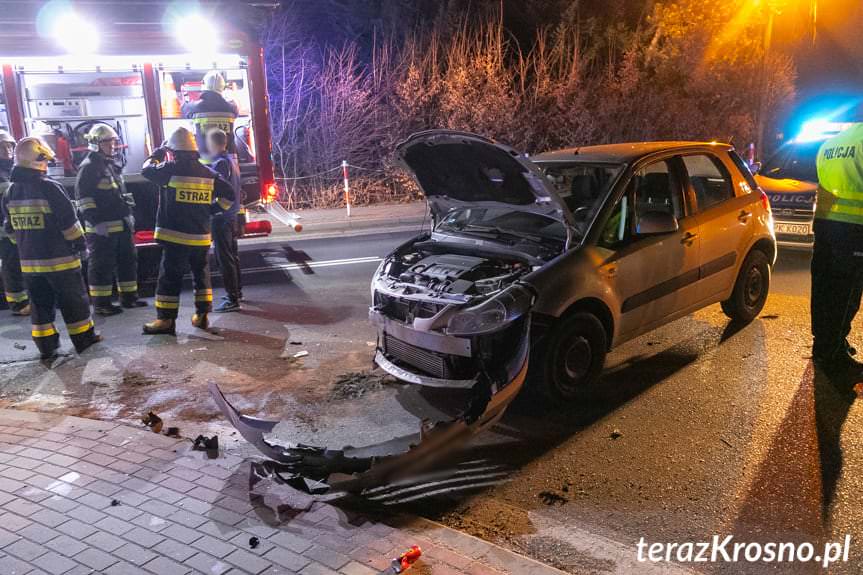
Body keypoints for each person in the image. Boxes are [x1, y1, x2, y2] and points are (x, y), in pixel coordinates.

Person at [0, 137, 100, 359]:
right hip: (61, 261)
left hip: (29, 265)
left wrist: (28, 247)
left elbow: (10, 229)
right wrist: (81, 247)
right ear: (39, 159)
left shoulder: (11, 191)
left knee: (40, 306)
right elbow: (69, 224)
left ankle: (46, 346)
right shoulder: (50, 187)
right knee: (74, 302)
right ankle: (84, 339)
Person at [141, 126, 234, 335]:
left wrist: (157, 152)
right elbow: (230, 195)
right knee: (201, 275)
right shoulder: (208, 173)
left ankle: (165, 320)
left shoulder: (169, 169)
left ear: (173, 152)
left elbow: (146, 169)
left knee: (170, 277)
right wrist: (212, 209)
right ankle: (202, 316)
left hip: (175, 236)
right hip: (201, 236)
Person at [75, 123, 146, 315]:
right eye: (108, 142)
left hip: (121, 225)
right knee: (101, 266)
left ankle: (129, 298)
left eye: (114, 141)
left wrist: (128, 215)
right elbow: (84, 199)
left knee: (127, 261)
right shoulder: (89, 167)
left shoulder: (109, 165)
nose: (113, 145)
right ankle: (101, 304)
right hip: (102, 228)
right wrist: (96, 222)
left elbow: (118, 195)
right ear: (97, 143)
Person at [811, 123, 863, 378]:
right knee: (846, 292)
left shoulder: (832, 143)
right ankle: (832, 355)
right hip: (854, 228)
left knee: (824, 288)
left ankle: (826, 344)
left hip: (825, 224)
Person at [206, 128, 243, 312]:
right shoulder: (230, 161)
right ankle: (237, 292)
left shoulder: (220, 164)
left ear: (213, 144)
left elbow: (218, 191)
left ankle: (232, 298)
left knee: (224, 258)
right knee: (232, 256)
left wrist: (210, 209)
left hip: (221, 217)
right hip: (231, 215)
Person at [0, 130, 29, 316]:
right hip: (3, 229)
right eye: (2, 147)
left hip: (18, 225)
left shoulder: (13, 170)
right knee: (11, 264)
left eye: (9, 145)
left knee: (20, 263)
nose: (7, 150)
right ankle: (17, 304)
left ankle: (25, 299)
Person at [181, 70, 239, 163]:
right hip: (230, 161)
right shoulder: (231, 107)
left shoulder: (193, 107)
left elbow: (183, 109)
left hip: (205, 163)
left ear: (203, 85)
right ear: (223, 87)